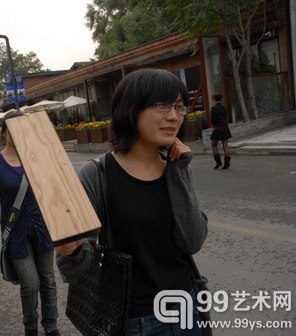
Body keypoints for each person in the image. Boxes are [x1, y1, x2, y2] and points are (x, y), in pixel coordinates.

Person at [55, 68, 208, 335]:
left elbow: (192, 241)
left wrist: (180, 171)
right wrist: (71, 250)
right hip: (137, 320)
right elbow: (74, 269)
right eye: (162, 105)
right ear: (132, 108)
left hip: (189, 308)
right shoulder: (98, 174)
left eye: (179, 107)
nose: (173, 116)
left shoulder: (177, 167)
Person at [0, 112, 60, 336]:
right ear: (4, 132)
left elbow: (52, 187)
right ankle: (30, 327)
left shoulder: (36, 156)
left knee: (48, 280)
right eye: (12, 128)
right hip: (15, 231)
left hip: (42, 227)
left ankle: (52, 326)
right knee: (30, 284)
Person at [210, 93, 232, 169]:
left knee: (213, 145)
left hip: (217, 128)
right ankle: (227, 163)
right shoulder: (224, 107)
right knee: (225, 146)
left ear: (214, 99)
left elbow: (213, 120)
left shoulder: (213, 108)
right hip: (225, 127)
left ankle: (218, 162)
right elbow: (225, 117)